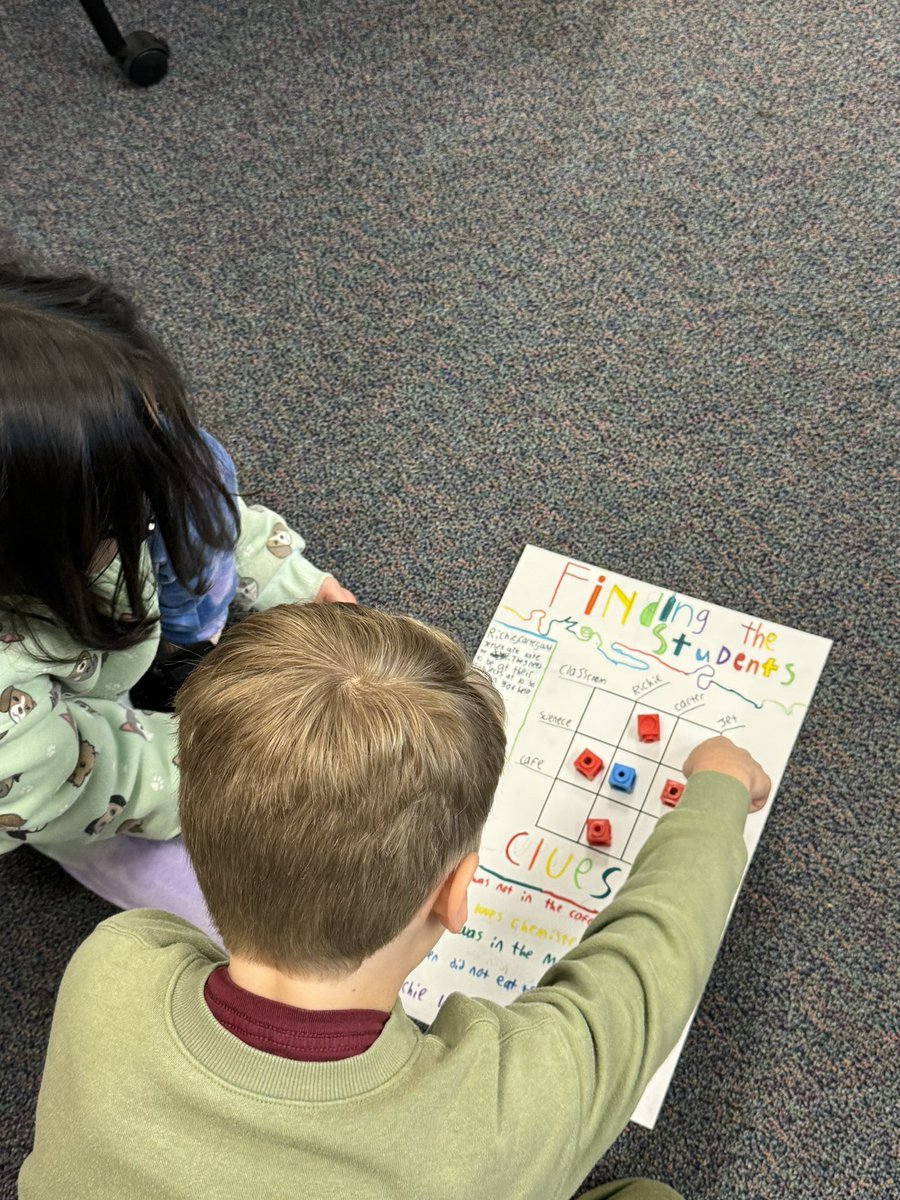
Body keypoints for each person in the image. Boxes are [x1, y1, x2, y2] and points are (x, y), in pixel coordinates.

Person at [19, 603, 771, 1200]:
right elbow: (650, 966)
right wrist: (721, 786)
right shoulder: (499, 1121)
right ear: (456, 894)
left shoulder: (113, 967)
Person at [0, 260, 354, 921]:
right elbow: (87, 782)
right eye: (125, 512)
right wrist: (233, 764)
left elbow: (200, 497)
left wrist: (285, 578)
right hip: (49, 761)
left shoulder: (123, 470)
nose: (163, 491)